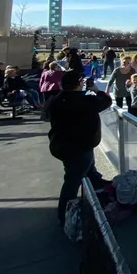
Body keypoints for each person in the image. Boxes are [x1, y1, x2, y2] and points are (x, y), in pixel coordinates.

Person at [46, 70, 112, 225]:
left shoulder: (56, 99)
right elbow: (105, 101)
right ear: (78, 84)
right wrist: (96, 91)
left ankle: (96, 190)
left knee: (86, 171)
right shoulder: (84, 101)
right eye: (81, 82)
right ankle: (64, 216)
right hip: (79, 147)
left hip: (62, 144)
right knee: (72, 181)